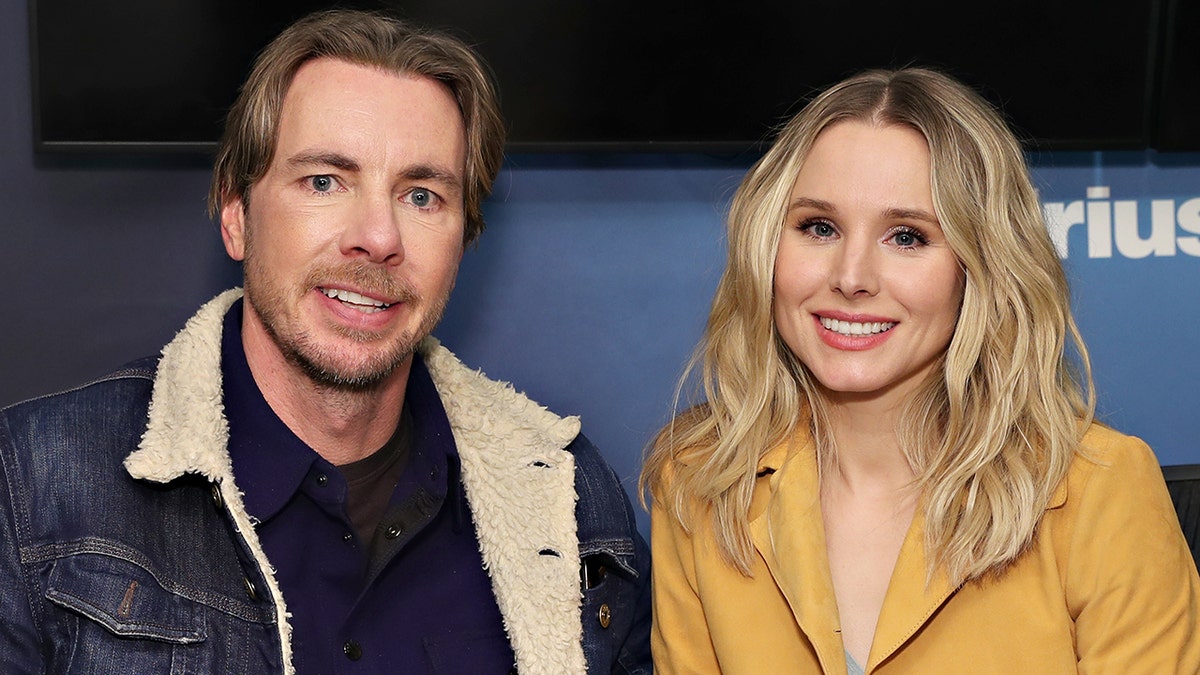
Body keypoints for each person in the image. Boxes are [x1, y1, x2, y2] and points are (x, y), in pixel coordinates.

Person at [0, 10, 650, 674]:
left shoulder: (568, 502)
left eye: (421, 195)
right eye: (324, 181)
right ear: (236, 216)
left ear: (464, 239)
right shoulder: (33, 487)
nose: (378, 235)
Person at [643, 68, 1200, 674]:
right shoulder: (699, 482)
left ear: (980, 267)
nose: (852, 276)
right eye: (819, 227)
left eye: (906, 237)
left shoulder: (1102, 490)